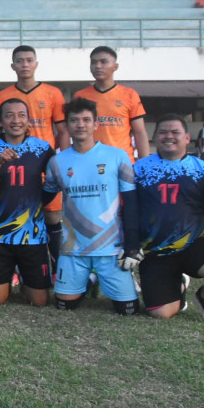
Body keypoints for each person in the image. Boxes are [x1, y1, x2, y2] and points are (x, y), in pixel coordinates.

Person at [134, 114, 204, 319]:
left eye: (175, 132)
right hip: (155, 250)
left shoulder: (203, 170)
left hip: (194, 242)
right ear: (155, 137)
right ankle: (179, 285)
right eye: (163, 132)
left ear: (187, 137)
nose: (169, 136)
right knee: (161, 313)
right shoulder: (139, 168)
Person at [41, 98, 141, 315]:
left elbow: (131, 202)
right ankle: (89, 281)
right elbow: (44, 196)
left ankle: (98, 277)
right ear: (66, 126)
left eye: (86, 120)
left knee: (128, 311)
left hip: (111, 247)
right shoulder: (57, 162)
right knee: (64, 306)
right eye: (74, 120)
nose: (80, 125)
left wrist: (133, 243)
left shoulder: (117, 156)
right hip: (72, 247)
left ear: (96, 125)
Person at [0, 98, 57, 307]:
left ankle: (25, 276)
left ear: (29, 120)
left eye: (21, 115)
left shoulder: (42, 148)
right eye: (9, 115)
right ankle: (8, 276)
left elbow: (54, 184)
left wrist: (38, 201)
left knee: (40, 301)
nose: (15, 120)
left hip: (32, 235)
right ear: (0, 120)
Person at [0, 45, 67, 277]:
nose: (24, 64)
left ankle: (58, 270)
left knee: (51, 215)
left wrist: (62, 160)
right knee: (15, 213)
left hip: (44, 164)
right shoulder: (3, 96)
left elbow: (62, 130)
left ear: (36, 64)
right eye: (20, 61)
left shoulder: (53, 93)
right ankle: (15, 270)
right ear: (13, 66)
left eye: (29, 60)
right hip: (13, 166)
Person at [73, 45, 150, 160]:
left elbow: (139, 133)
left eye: (103, 62)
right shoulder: (80, 96)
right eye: (93, 62)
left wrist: (144, 165)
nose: (98, 66)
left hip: (121, 162)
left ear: (115, 66)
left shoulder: (130, 95)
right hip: (89, 160)